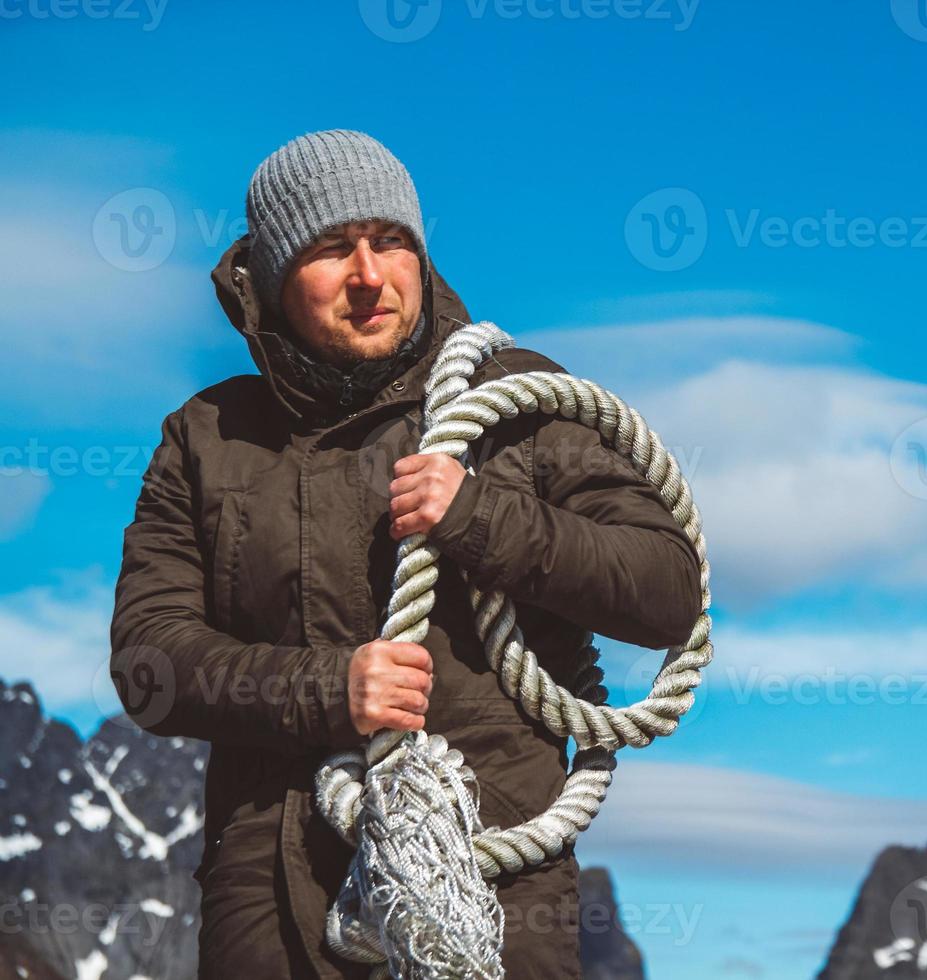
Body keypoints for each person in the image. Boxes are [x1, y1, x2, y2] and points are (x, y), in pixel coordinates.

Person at [108, 129, 703, 978]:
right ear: (272, 278)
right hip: (271, 908)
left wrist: (479, 516)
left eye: (391, 242)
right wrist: (329, 689)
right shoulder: (207, 439)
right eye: (329, 249)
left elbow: (665, 588)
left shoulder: (514, 400)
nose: (368, 276)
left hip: (492, 889)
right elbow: (148, 661)